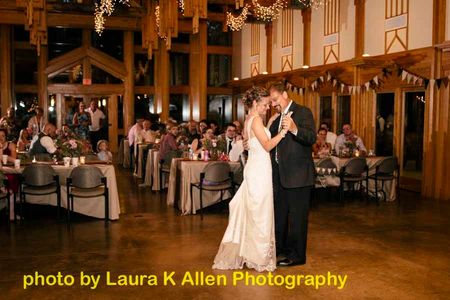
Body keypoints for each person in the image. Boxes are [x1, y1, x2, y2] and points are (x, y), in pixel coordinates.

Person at [213, 86, 287, 272]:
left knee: (256, 210)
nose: (266, 108)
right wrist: (283, 132)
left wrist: (269, 124)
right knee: (260, 211)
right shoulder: (255, 121)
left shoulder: (249, 120)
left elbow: (253, 141)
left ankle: (253, 253)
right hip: (259, 170)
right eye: (264, 105)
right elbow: (268, 145)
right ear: (255, 103)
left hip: (256, 167)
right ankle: (258, 257)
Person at [268, 81, 316, 267]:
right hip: (279, 175)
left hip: (298, 176)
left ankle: (297, 256)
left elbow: (311, 138)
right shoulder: (277, 117)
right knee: (280, 216)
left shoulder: (303, 112)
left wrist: (295, 129)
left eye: (275, 100)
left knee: (297, 219)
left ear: (285, 94)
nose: (273, 104)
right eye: (271, 102)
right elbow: (270, 142)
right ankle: (282, 249)